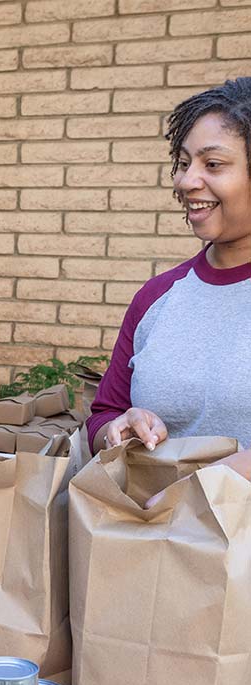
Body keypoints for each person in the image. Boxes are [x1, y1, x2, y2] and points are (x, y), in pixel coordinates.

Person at [86, 78, 251, 504]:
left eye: (213, 165)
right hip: (160, 549)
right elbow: (103, 413)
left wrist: (228, 480)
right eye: (182, 162)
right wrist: (117, 428)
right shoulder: (158, 297)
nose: (186, 180)